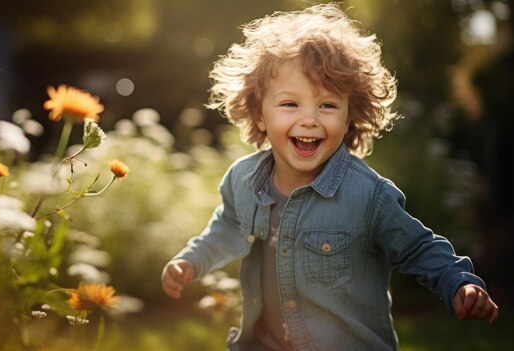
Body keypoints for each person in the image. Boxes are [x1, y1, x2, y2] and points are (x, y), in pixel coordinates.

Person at [161, 3, 499, 350]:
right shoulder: (243, 179)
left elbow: (418, 247)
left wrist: (458, 283)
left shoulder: (367, 196)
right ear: (259, 114)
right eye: (290, 104)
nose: (309, 119)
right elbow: (228, 226)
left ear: (351, 114)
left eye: (327, 105)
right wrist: (191, 260)